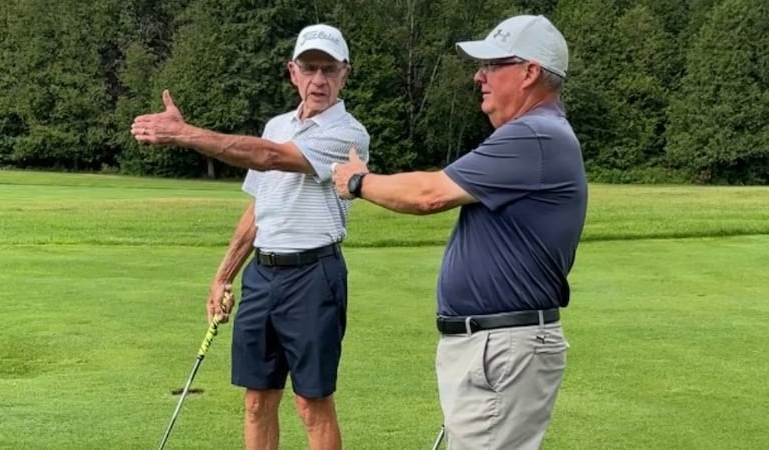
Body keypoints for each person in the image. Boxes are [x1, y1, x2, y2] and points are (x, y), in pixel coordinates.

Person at [333, 15, 586, 450]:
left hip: (501, 345)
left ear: (529, 73)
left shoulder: (535, 136)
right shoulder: (538, 134)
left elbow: (429, 194)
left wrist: (358, 182)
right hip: (495, 343)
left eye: (492, 65)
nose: (479, 75)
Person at [132, 24, 369, 450]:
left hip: (314, 275)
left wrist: (185, 134)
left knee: (312, 405)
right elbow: (260, 206)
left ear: (345, 74)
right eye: (309, 68)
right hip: (263, 275)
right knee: (257, 401)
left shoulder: (349, 134)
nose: (319, 80)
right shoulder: (276, 124)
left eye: (329, 69)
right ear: (292, 72)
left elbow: (271, 158)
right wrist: (223, 275)